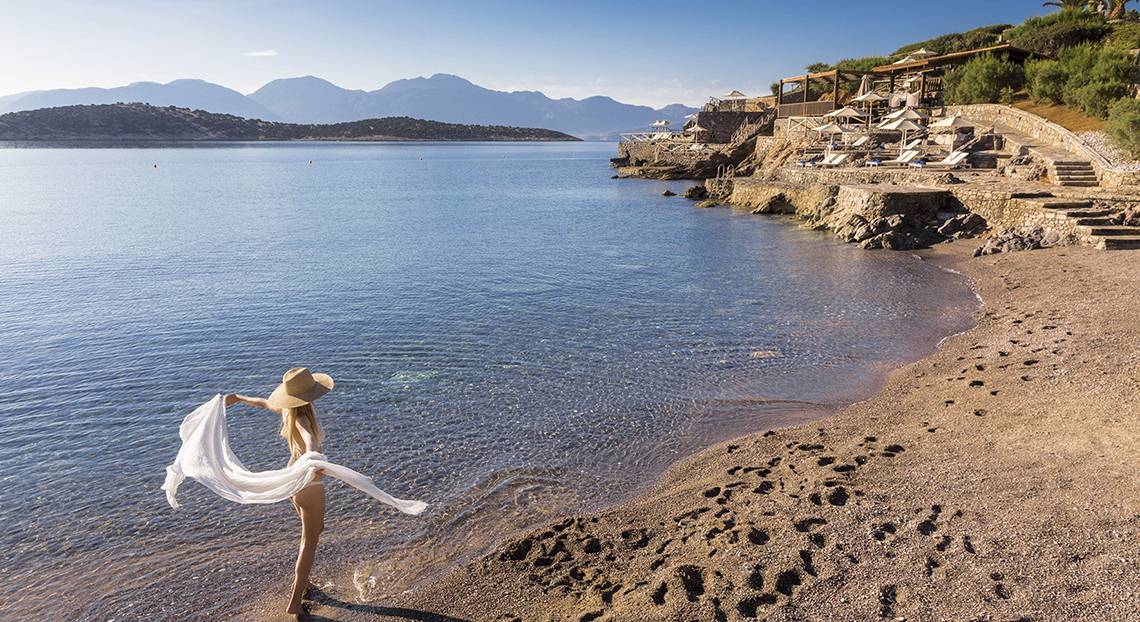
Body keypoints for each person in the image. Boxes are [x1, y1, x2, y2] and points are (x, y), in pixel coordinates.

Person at [225, 367, 335, 616]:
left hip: (294, 484)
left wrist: (239, 398)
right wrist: (314, 460)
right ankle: (295, 601)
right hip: (308, 484)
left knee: (315, 530)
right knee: (310, 541)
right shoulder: (303, 418)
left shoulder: (288, 412)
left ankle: (304, 583)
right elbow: (310, 441)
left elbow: (264, 403)